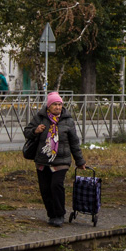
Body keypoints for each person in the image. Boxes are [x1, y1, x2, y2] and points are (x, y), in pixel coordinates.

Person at [24, 91, 86, 227]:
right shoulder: (40, 118)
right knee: (45, 189)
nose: (58, 107)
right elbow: (26, 132)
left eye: (59, 104)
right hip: (43, 160)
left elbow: (74, 142)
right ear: (48, 107)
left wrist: (80, 161)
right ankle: (51, 214)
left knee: (56, 185)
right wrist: (36, 131)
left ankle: (59, 215)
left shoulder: (68, 121)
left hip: (61, 160)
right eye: (54, 105)